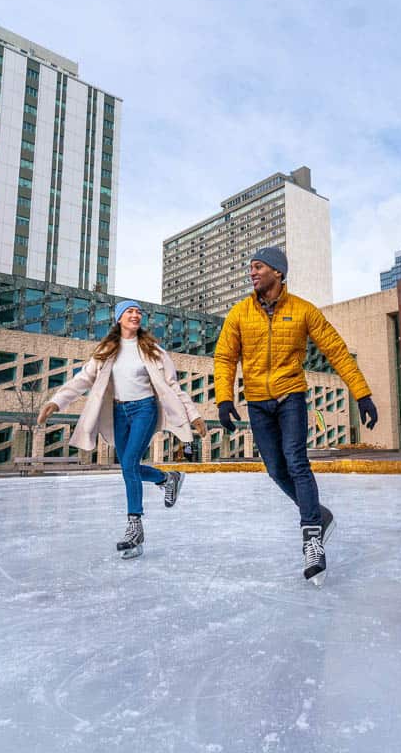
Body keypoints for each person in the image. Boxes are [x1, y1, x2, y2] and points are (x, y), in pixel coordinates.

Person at [213, 246, 377, 586]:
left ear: (278, 271)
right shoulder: (239, 314)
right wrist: (224, 399)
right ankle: (319, 514)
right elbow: (225, 357)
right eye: (251, 268)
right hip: (258, 402)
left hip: (291, 396)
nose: (252, 272)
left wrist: (361, 393)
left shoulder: (303, 311)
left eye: (258, 267)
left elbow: (336, 351)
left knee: (296, 460)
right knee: (275, 469)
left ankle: (312, 537)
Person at [38, 300, 206, 559]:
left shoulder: (153, 351)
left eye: (139, 312)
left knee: (128, 463)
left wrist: (194, 415)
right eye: (130, 311)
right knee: (129, 467)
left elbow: (173, 386)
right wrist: (56, 401)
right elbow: (84, 378)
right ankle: (167, 478)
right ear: (119, 318)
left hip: (145, 409)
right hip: (119, 412)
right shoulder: (107, 350)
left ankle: (134, 527)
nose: (135, 315)